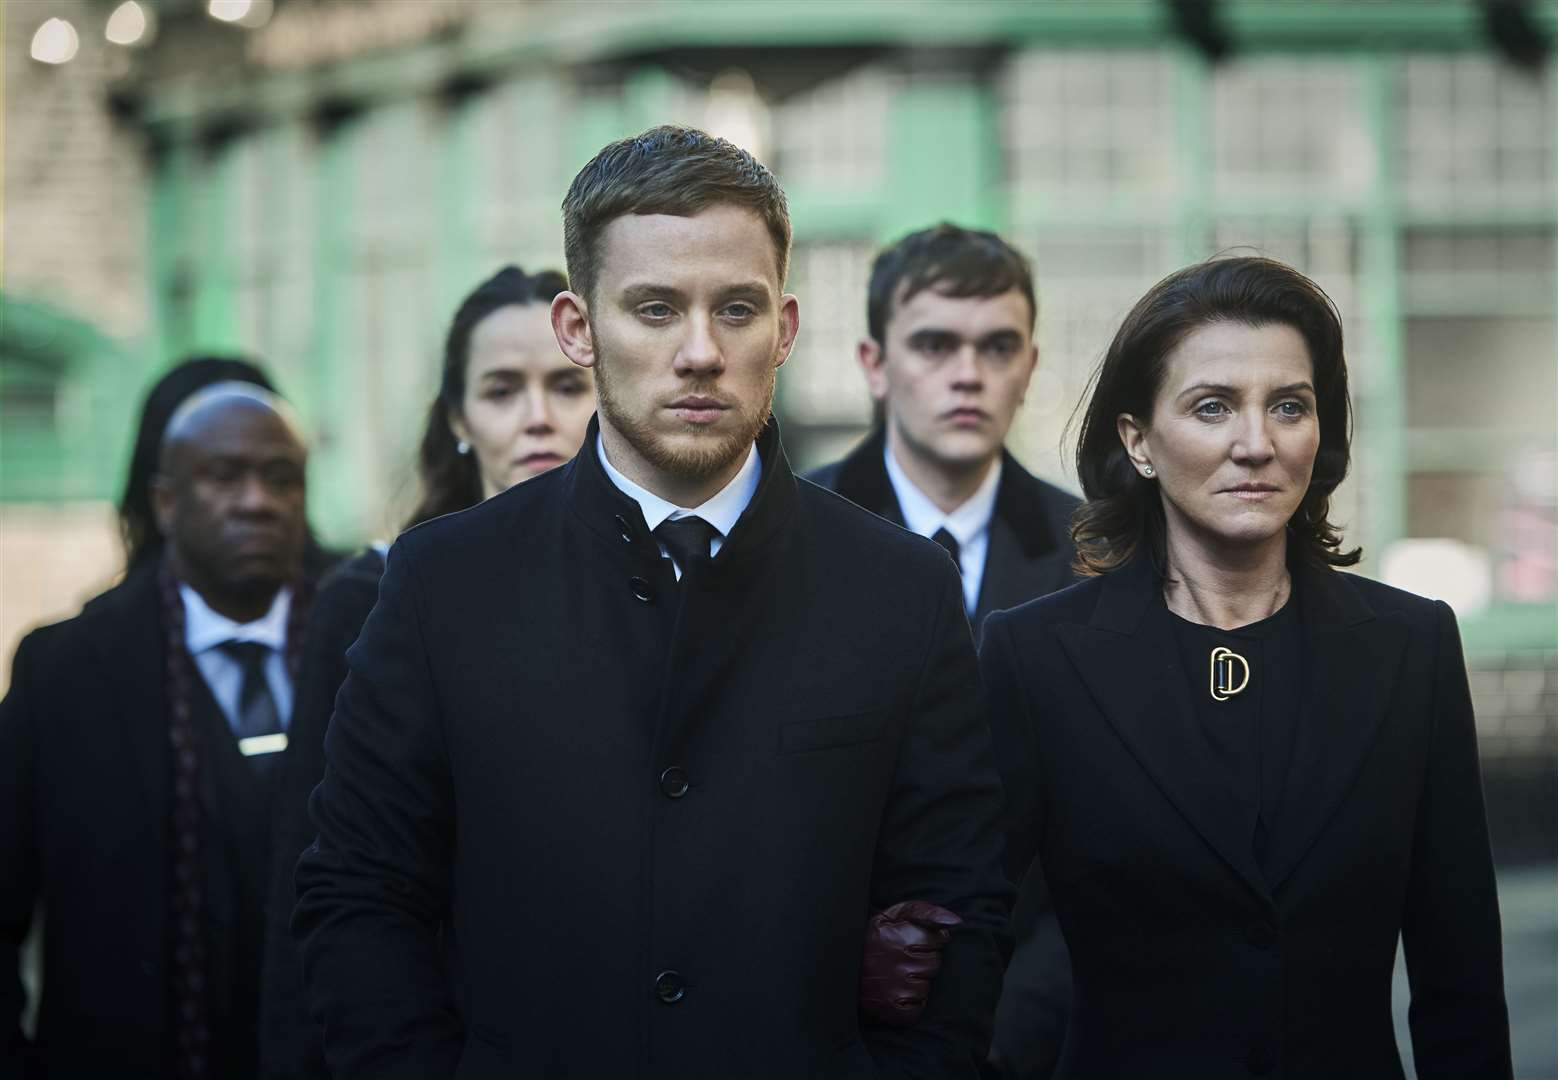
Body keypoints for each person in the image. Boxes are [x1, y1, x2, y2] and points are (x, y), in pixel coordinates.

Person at [293, 125, 1012, 1078]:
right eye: (655, 309)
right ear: (578, 328)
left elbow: (959, 906)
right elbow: (360, 898)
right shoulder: (442, 584)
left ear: (786, 329)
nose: (701, 352)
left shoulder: (902, 590)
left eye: (738, 309)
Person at [980, 256, 1512, 1077]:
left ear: (1320, 433)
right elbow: (965, 942)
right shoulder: (1035, 656)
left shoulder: (1412, 648)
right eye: (1213, 406)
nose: (1256, 444)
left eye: (1289, 407)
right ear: (1139, 442)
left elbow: (1461, 977)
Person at [257, 263, 590, 1079]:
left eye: (567, 386)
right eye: (503, 390)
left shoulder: (663, 584)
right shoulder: (372, 598)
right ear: (458, 418)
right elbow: (321, 886)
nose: (538, 418)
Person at [808, 224, 1078, 1076]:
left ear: (1030, 364)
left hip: (1040, 1024)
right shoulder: (787, 541)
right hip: (827, 1025)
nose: (969, 373)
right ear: (874, 363)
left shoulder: (1098, 554)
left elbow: (1117, 835)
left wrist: (1015, 1025)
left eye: (998, 346)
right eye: (935, 344)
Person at [2, 382, 325, 1079]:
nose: (256, 502)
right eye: (223, 477)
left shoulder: (370, 646)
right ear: (166, 501)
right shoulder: (65, 672)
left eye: (280, 479)